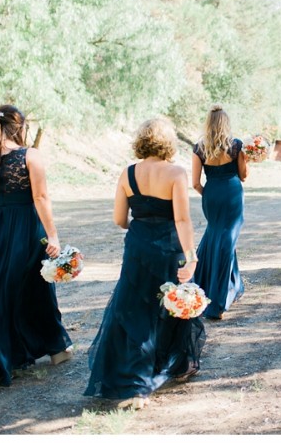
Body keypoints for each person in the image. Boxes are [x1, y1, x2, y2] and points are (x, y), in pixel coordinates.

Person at [84, 118, 205, 409]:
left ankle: (130, 378)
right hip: (167, 246)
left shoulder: (127, 173)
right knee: (165, 305)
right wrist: (191, 256)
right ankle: (166, 365)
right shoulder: (175, 173)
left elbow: (118, 219)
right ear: (168, 142)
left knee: (134, 306)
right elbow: (182, 219)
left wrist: (139, 228)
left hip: (138, 246)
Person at [0, 105, 73, 396]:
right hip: (25, 228)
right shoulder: (30, 155)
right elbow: (40, 197)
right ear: (19, 127)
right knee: (36, 287)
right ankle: (55, 350)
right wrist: (53, 235)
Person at [192, 105, 247, 320]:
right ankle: (218, 300)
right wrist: (246, 161)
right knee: (227, 240)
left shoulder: (199, 148)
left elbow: (196, 183)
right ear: (226, 123)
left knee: (215, 235)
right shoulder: (236, 146)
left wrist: (210, 194)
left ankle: (209, 285)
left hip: (212, 195)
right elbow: (243, 175)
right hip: (232, 194)